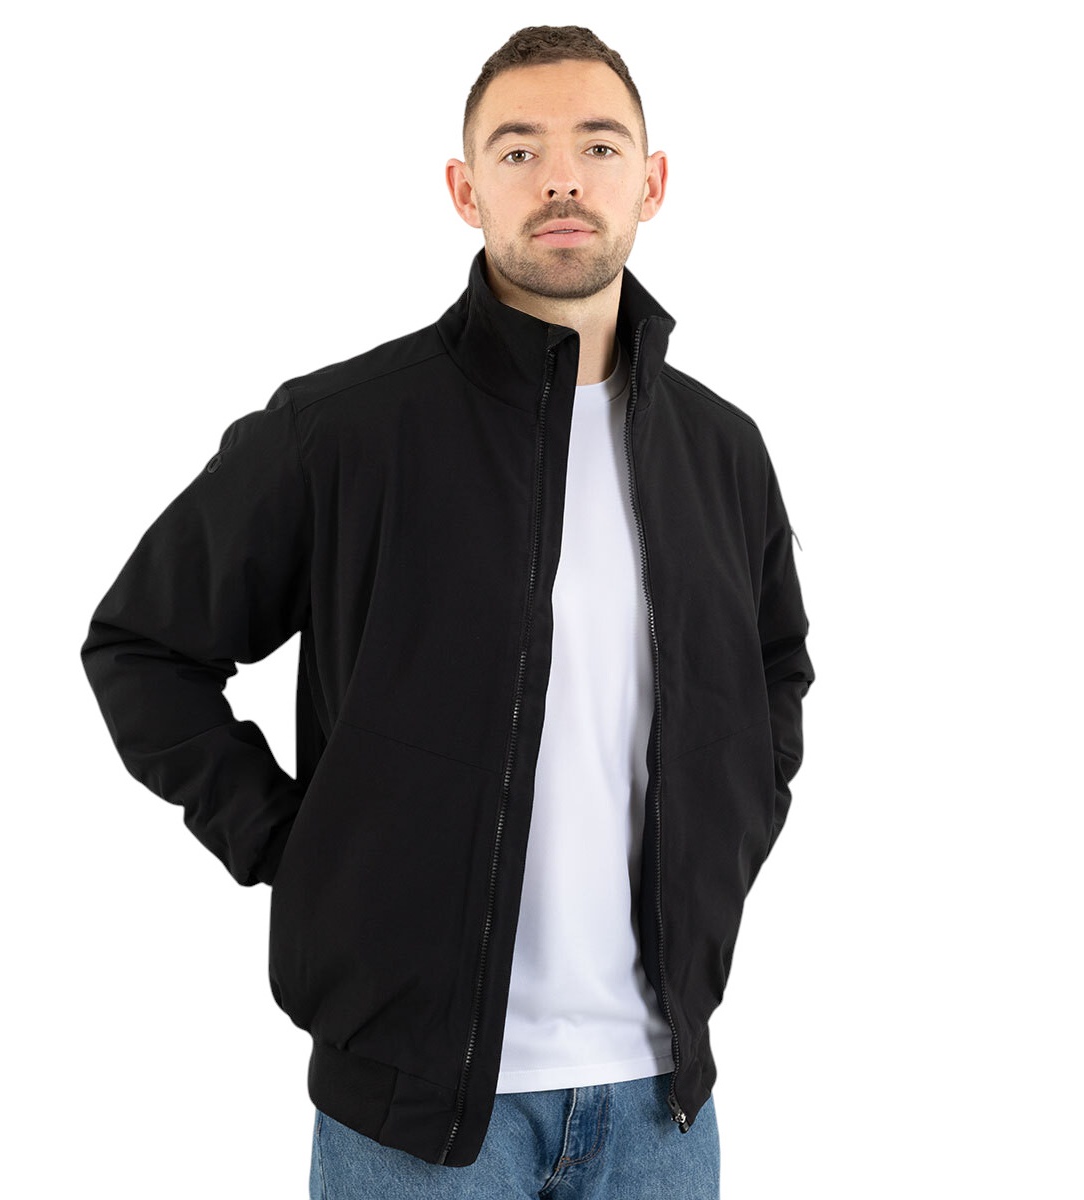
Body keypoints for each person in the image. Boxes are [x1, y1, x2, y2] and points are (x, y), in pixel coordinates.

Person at [80, 24, 814, 1199]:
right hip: (416, 1127)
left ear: (653, 182)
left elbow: (775, 670)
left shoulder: (721, 452)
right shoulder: (346, 431)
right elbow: (143, 646)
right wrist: (295, 847)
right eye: (519, 151)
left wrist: (727, 828)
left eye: (598, 145)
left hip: (664, 1109)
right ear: (466, 191)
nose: (562, 178)